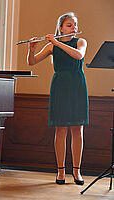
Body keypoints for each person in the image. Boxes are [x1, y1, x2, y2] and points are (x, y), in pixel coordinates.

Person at [27, 12, 88, 185]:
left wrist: (56, 42)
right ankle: (60, 171)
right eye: (70, 25)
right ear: (61, 28)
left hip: (77, 85)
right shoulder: (52, 46)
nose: (74, 28)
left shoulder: (80, 42)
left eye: (75, 24)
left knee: (78, 129)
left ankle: (77, 171)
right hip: (60, 86)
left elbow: (78, 56)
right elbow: (32, 62)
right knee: (60, 130)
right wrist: (31, 50)